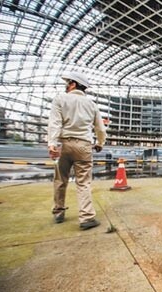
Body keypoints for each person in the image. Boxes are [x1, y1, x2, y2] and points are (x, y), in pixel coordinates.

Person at [47, 71, 107, 230]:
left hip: (64, 144)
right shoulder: (91, 105)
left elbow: (55, 123)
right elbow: (100, 128)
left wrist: (52, 143)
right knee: (84, 182)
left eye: (68, 83)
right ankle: (87, 218)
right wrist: (100, 143)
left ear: (73, 84)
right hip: (84, 145)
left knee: (60, 180)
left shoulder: (60, 99)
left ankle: (58, 212)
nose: (66, 86)